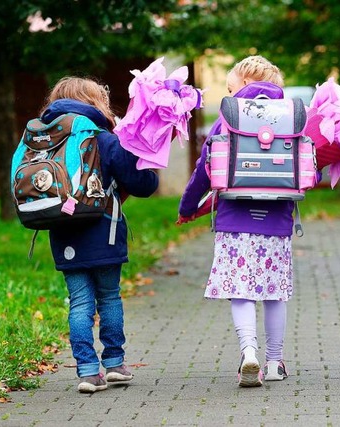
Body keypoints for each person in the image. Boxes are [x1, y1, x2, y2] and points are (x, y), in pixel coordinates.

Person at [38, 77, 159, 393]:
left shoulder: (46, 139)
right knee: (108, 296)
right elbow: (144, 185)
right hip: (103, 230)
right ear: (95, 103)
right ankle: (115, 364)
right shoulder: (104, 139)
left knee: (79, 301)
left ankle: (88, 372)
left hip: (63, 233)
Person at [177, 56, 292, 387]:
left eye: (230, 87)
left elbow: (204, 167)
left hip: (234, 218)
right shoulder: (291, 114)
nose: (229, 93)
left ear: (244, 83)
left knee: (240, 290)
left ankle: (249, 352)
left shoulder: (229, 114)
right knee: (274, 293)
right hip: (277, 219)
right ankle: (274, 362)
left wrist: (187, 206)